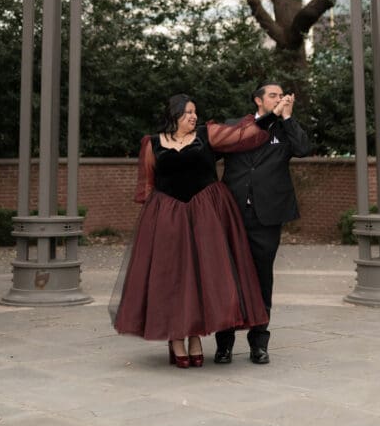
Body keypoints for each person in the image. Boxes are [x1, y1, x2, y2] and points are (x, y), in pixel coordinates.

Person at [111, 93, 273, 368]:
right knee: (171, 277)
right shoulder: (152, 143)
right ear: (173, 116)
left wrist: (272, 115)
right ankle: (175, 338)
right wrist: (153, 223)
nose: (193, 116)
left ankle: (196, 336)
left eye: (194, 112)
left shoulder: (207, 135)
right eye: (187, 113)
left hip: (205, 215)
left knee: (202, 275)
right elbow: (148, 185)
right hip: (167, 217)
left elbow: (241, 134)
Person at [214, 82, 311, 365]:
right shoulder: (236, 127)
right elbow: (213, 149)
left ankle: (259, 343)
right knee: (227, 278)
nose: (279, 99)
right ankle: (224, 344)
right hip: (231, 215)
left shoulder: (285, 129)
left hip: (267, 217)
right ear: (258, 101)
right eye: (273, 95)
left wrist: (288, 117)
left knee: (261, 279)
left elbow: (304, 149)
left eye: (282, 96)